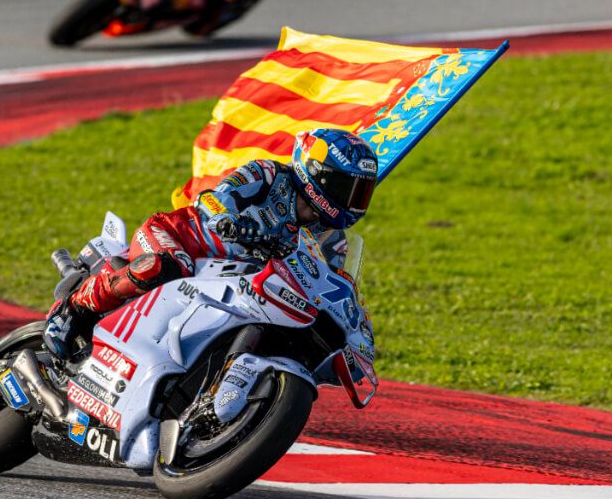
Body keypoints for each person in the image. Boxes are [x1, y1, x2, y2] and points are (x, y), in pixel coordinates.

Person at [44, 128, 378, 358]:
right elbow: (215, 198)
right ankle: (72, 307)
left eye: (361, 192)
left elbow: (328, 282)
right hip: (178, 238)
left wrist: (352, 319)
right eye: (348, 189)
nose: (354, 201)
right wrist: (232, 221)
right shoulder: (268, 174)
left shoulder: (329, 237)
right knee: (167, 267)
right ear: (318, 173)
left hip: (228, 281)